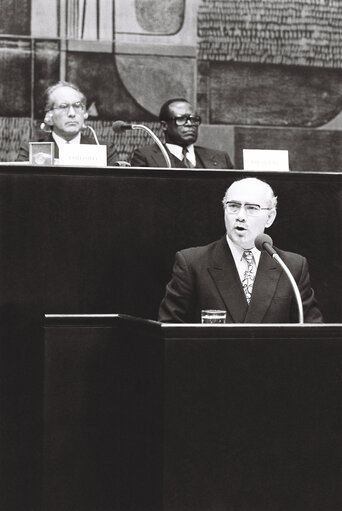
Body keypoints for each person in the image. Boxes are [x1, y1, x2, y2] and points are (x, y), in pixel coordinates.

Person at [158, 177, 323, 323]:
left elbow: (312, 333)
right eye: (234, 206)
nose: (240, 216)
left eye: (251, 208)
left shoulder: (292, 266)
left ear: (270, 217)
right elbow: (169, 332)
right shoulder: (192, 263)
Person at [130, 98, 234, 169]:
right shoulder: (145, 156)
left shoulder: (220, 158)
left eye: (194, 119)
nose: (190, 124)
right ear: (164, 125)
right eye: (181, 119)